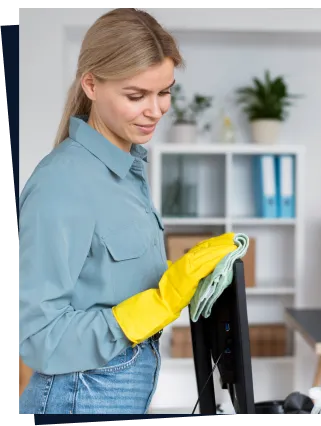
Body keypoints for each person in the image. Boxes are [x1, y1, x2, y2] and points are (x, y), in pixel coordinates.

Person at [17, 8, 237, 415]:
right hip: (80, 394)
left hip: (112, 388)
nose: (156, 110)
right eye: (136, 96)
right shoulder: (63, 182)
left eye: (165, 91)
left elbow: (106, 278)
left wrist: (183, 278)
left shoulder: (127, 171)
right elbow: (38, 335)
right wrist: (149, 310)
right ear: (91, 85)